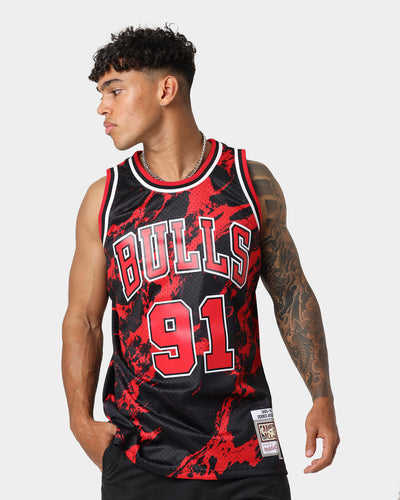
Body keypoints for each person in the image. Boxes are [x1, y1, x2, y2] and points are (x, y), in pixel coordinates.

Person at [62, 25, 339, 500]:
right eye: (101, 94)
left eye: (115, 90)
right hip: (141, 453)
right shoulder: (105, 200)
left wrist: (322, 396)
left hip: (246, 448)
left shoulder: (249, 183)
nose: (102, 107)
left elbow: (291, 293)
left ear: (166, 89)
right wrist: (79, 421)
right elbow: (83, 319)